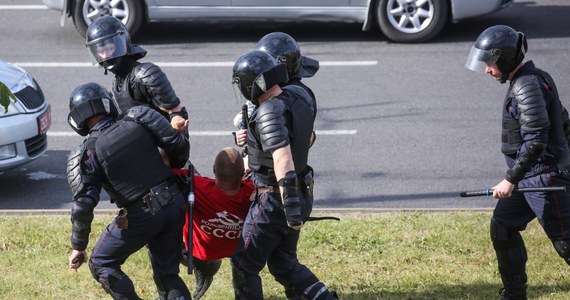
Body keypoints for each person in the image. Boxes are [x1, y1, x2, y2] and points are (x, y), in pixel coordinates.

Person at [465, 25, 570, 299]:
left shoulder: (526, 86)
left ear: (505, 58)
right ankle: (514, 295)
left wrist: (510, 179)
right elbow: (564, 121)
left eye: (490, 63)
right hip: (530, 176)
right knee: (503, 225)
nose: (488, 70)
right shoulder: (532, 79)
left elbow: (536, 141)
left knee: (566, 244)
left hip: (545, 178)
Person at [66, 82, 192, 300]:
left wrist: (79, 246)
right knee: (168, 274)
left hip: (141, 216)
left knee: (101, 261)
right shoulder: (139, 116)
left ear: (78, 118)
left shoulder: (87, 153)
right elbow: (178, 147)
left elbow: (83, 206)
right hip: (175, 203)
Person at [230, 49, 338, 299]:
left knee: (244, 265)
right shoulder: (297, 98)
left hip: (274, 199)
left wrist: (289, 209)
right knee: (283, 263)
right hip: (301, 190)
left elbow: (282, 158)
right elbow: (307, 139)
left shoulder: (269, 111)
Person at [85, 16, 188, 133]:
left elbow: (176, 111)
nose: (106, 56)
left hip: (165, 143)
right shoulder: (117, 83)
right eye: (101, 51)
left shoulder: (146, 74)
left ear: (121, 44)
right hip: (140, 144)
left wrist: (176, 123)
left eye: (110, 48)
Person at [180, 147, 255, 299]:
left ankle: (202, 266)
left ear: (214, 170)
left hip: (202, 250)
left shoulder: (197, 186)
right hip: (241, 251)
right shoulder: (253, 192)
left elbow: (172, 166)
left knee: (158, 235)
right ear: (243, 173)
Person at [234, 32, 319, 147]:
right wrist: (243, 132)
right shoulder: (300, 93)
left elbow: (304, 137)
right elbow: (247, 113)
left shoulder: (285, 98)